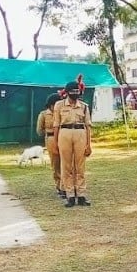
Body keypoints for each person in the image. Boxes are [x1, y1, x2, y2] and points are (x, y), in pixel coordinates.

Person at [52, 76, 93, 208]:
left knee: (80, 166)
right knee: (66, 166)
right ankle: (70, 195)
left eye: (77, 91)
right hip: (64, 133)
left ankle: (81, 194)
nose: (75, 93)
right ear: (67, 92)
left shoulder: (84, 107)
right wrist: (55, 142)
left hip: (80, 133)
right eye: (73, 91)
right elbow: (56, 125)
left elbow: (88, 126)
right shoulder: (59, 105)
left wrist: (89, 144)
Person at [37, 93, 64, 198]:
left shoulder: (62, 113)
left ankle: (66, 185)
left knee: (65, 162)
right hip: (51, 138)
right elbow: (39, 130)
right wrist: (49, 134)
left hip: (63, 137)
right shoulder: (44, 114)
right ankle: (59, 185)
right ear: (50, 105)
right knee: (56, 162)